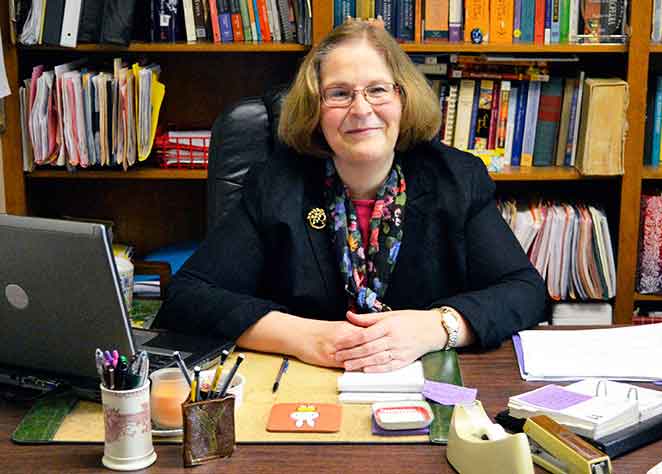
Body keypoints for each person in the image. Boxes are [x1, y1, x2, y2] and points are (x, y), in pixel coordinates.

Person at [154, 20, 547, 373]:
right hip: (304, 390)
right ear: (315, 110)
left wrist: (436, 327)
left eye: (377, 90)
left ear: (403, 98)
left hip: (426, 391)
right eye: (339, 93)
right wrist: (306, 338)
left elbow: (525, 292)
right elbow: (187, 299)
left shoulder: (456, 179)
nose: (361, 110)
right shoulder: (276, 184)